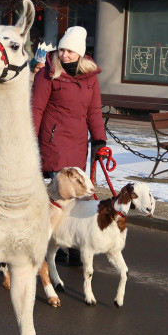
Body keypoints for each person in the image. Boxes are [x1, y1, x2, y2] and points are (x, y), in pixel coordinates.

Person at [31, 26, 105, 267]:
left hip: (78, 144)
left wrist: (100, 141)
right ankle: (54, 244)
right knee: (60, 198)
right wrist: (31, 139)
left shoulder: (90, 77)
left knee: (78, 199)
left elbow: (94, 111)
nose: (63, 55)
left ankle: (73, 245)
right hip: (53, 143)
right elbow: (37, 108)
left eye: (69, 51)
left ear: (80, 53)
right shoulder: (48, 73)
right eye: (61, 50)